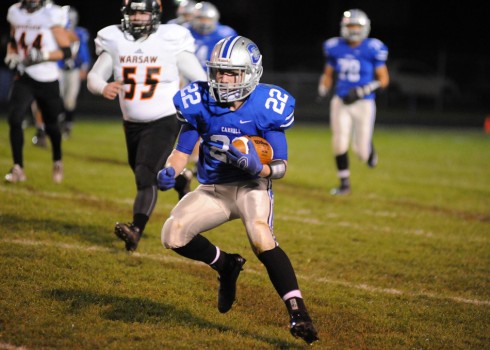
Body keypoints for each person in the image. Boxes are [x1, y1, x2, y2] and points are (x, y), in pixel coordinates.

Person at [156, 35, 319, 345]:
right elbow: (182, 150)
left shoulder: (267, 105)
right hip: (213, 188)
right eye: (219, 71)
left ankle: (298, 313)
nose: (223, 79)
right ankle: (226, 265)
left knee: (260, 236)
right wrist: (170, 171)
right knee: (172, 235)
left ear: (251, 73)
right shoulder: (198, 101)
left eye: (231, 72)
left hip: (251, 186)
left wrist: (257, 167)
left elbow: (281, 166)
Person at [87, 0, 206, 252]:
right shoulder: (115, 39)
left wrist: (200, 107)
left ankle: (135, 230)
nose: (139, 17)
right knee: (146, 171)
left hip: (164, 117)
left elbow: (199, 78)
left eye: (143, 12)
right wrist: (102, 87)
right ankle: (180, 180)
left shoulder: (171, 39)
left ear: (155, 14)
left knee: (144, 174)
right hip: (131, 123)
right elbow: (93, 77)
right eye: (134, 12)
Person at [318, 9, 389, 195]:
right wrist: (323, 87)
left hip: (364, 102)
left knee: (362, 152)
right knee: (339, 142)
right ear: (344, 27)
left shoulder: (373, 48)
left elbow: (384, 79)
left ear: (365, 27)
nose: (354, 29)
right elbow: (328, 73)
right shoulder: (334, 47)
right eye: (351, 25)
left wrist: (361, 91)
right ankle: (344, 184)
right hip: (341, 101)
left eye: (357, 25)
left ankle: (369, 149)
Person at [4, 0, 73, 184]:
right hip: (25, 75)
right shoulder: (15, 11)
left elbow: (66, 52)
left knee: (51, 126)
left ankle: (57, 159)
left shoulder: (51, 14)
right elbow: (13, 40)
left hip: (47, 79)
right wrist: (10, 53)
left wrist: (44, 56)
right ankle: (18, 167)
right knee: (14, 118)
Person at [58, 6, 92, 138]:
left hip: (74, 70)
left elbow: (84, 52)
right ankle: (59, 122)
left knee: (70, 100)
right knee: (57, 98)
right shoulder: (56, 32)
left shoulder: (80, 33)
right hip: (58, 69)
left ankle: (68, 124)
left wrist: (84, 67)